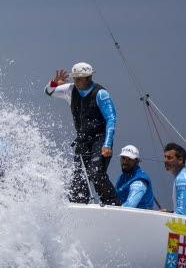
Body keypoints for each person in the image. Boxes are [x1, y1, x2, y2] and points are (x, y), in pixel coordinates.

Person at [44, 62, 119, 205]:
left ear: (88, 77)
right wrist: (55, 83)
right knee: (79, 177)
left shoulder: (100, 93)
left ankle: (112, 203)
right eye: (74, 78)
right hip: (82, 140)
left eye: (80, 78)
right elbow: (48, 92)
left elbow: (111, 119)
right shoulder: (70, 89)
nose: (76, 81)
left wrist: (107, 144)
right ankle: (78, 205)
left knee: (96, 172)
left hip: (100, 140)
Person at [114, 145, 155, 209]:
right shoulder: (122, 177)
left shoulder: (139, 180)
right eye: (123, 158)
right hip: (126, 216)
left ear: (137, 161)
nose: (125, 162)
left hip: (141, 218)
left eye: (129, 159)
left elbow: (130, 205)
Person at [163, 142, 186, 215]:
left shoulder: (182, 179)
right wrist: (169, 213)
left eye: (169, 158)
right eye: (165, 157)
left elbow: (182, 213)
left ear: (180, 160)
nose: (165, 161)